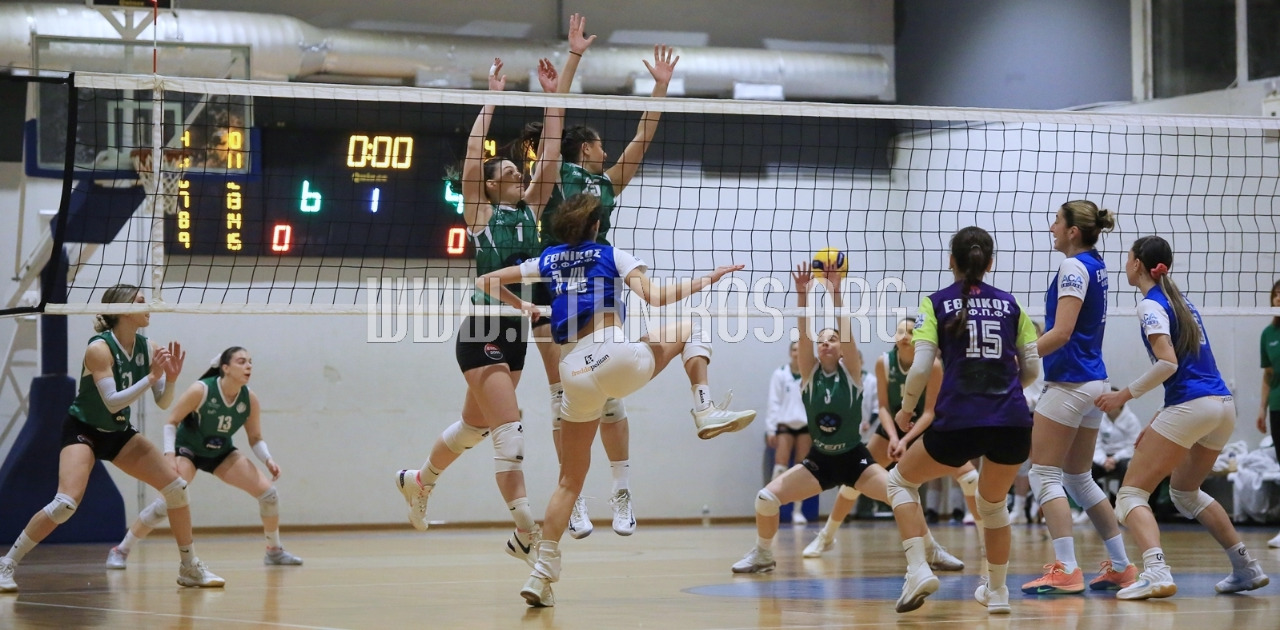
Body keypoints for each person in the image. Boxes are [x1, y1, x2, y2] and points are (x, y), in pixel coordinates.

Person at [476, 192, 756, 607]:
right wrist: (707, 279)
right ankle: (704, 408)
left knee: (569, 481)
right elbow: (655, 297)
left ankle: (541, 573)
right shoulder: (611, 253)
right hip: (615, 356)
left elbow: (485, 281)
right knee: (691, 327)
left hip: (574, 373)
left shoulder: (548, 259)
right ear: (595, 225)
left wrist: (527, 307)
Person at [393, 54, 567, 568]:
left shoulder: (531, 210)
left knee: (474, 428)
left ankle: (418, 480)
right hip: (483, 331)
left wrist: (552, 98)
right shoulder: (481, 214)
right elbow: (473, 157)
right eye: (507, 172)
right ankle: (525, 531)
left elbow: (551, 152)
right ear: (489, 186)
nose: (516, 173)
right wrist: (492, 98)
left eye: (517, 171)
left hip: (517, 335)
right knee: (509, 434)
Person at [526, 38, 681, 539]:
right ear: (585, 149)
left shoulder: (608, 185)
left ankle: (621, 491)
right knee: (562, 398)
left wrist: (660, 90)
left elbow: (641, 140)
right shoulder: (555, 175)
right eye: (599, 145)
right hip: (553, 289)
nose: (607, 151)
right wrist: (569, 65)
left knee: (612, 399)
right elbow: (554, 129)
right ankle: (572, 496)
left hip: (599, 288)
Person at [731, 264, 952, 576]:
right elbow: (804, 335)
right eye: (822, 340)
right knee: (766, 499)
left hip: (854, 460)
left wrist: (836, 292)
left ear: (843, 350)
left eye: (832, 339)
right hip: (820, 461)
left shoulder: (853, 376)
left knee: (903, 495)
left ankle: (931, 550)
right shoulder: (808, 376)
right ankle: (763, 555)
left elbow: (846, 331)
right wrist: (802, 296)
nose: (826, 342)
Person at [0, 284, 223, 592]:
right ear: (122, 309)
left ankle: (189, 567)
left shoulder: (148, 347)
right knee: (65, 504)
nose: (148, 306)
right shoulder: (99, 348)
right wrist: (153, 377)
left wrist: (170, 379)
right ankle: (7, 563)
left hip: (118, 432)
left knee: (177, 489)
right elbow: (113, 401)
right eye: (141, 301)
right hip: (84, 429)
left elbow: (162, 402)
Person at [1096, 235, 1269, 600]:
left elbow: (1168, 363)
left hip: (1193, 405)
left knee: (1130, 495)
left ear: (1138, 264)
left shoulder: (1150, 305)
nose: (1125, 264)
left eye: (1128, 258)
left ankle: (1156, 572)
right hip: (1221, 406)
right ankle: (1246, 567)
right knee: (1185, 492)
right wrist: (1159, 417)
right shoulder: (1180, 301)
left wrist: (1122, 396)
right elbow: (1189, 368)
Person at [884, 226, 1040, 615]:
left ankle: (918, 569)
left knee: (899, 481)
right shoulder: (1012, 304)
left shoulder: (935, 303)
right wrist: (1004, 392)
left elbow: (921, 368)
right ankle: (998, 593)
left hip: (960, 420)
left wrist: (906, 409)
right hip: (1013, 422)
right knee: (993, 505)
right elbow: (1033, 370)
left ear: (951, 261)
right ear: (990, 263)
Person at [1021, 200, 1137, 595]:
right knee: (1078, 477)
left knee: (1043, 473)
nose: (1051, 227)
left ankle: (1067, 569)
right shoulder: (1096, 264)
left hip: (1071, 381)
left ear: (1073, 230)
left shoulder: (1073, 267)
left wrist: (1017, 356)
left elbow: (1062, 332)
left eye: (1057, 221)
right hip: (1095, 381)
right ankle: (1121, 565)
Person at [105, 347, 302, 569]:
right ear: (225, 368)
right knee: (167, 501)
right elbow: (171, 422)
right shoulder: (201, 390)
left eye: (250, 362)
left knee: (269, 495)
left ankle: (274, 551)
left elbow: (255, 437)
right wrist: (170, 455)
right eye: (241, 361)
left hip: (220, 452)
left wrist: (268, 459)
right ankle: (121, 550)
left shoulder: (249, 399)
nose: (248, 366)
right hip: (188, 450)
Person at [803, 318, 968, 573]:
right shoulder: (884, 362)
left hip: (921, 428)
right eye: (900, 330)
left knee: (969, 477)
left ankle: (982, 542)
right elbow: (882, 407)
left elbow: (929, 412)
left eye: (910, 331)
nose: (904, 335)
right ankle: (827, 535)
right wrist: (894, 437)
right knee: (854, 480)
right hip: (891, 428)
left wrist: (906, 440)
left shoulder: (933, 365)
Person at [765, 341, 810, 522]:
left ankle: (797, 510)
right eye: (794, 349)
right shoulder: (780, 373)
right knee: (780, 465)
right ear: (790, 352)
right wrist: (771, 429)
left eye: (800, 349)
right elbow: (773, 401)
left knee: (802, 468)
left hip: (805, 425)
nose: (797, 353)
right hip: (785, 424)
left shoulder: (811, 373)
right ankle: (771, 506)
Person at [1257, 279, 1280, 547]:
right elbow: (1267, 375)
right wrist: (1261, 409)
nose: (1278, 298)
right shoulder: (1268, 334)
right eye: (1275, 294)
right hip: (1276, 406)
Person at [1090, 389, 1141, 500]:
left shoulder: (1131, 420)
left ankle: (1120, 501)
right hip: (1103, 457)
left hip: (1123, 457)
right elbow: (1095, 443)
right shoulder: (1099, 419)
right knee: (1087, 470)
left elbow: (1132, 446)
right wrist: (1103, 461)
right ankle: (1095, 500)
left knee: (1126, 468)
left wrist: (1115, 459)